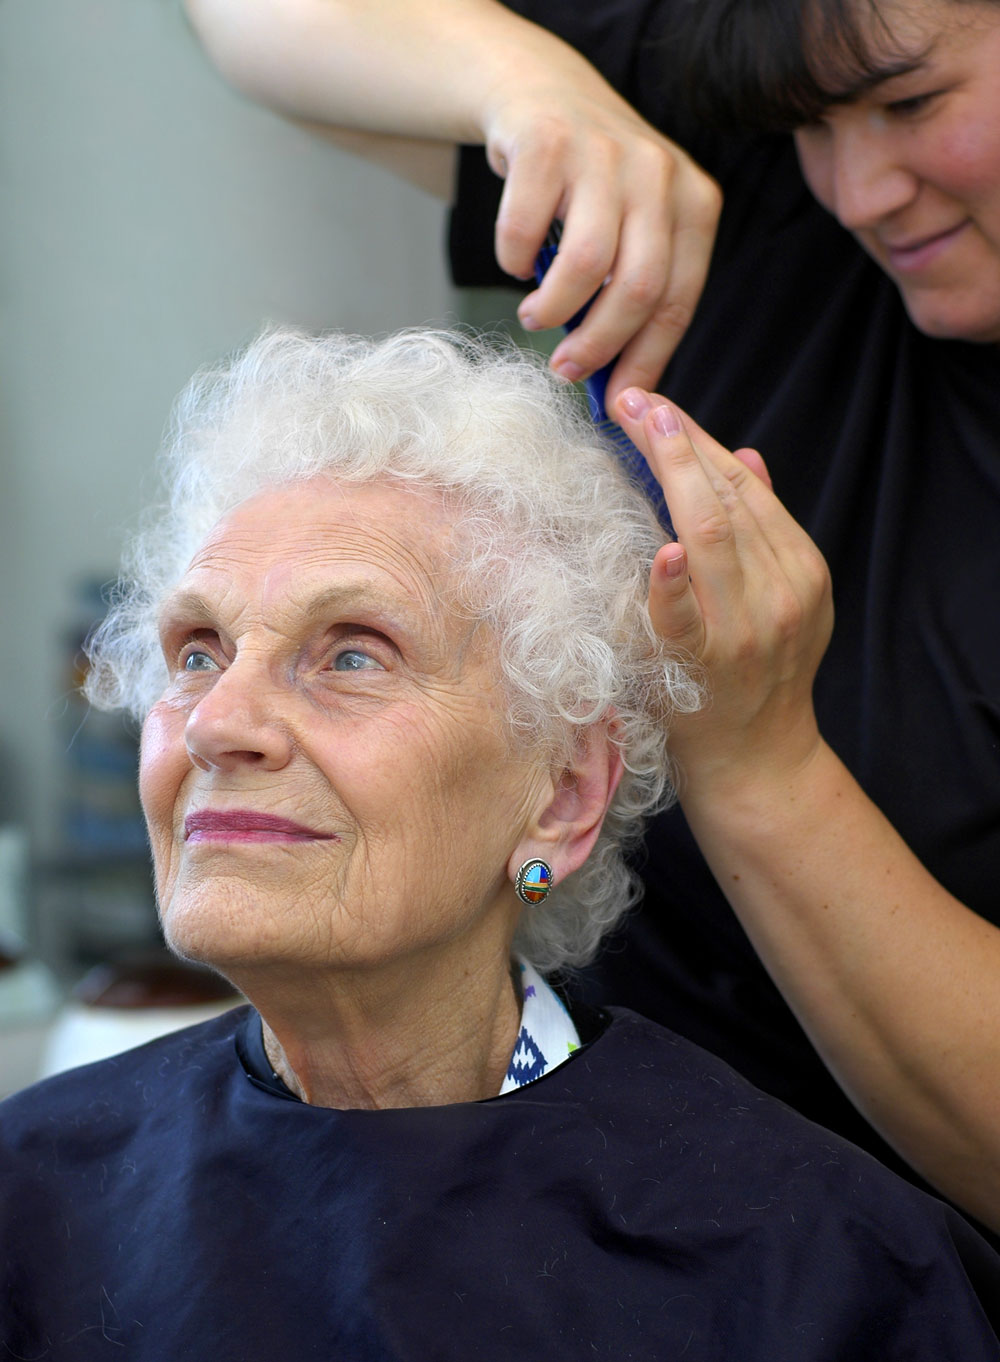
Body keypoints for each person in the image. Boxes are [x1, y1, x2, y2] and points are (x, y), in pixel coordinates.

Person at [3, 328, 1000, 1358]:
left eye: (351, 654)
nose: (216, 724)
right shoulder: (30, 1205)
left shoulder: (825, 1271)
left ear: (561, 799)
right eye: (198, 652)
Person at [182, 0, 1000, 1229]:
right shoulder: (762, 172)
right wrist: (523, 79)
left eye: (909, 104)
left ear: (571, 792)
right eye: (196, 651)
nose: (858, 190)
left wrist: (759, 762)